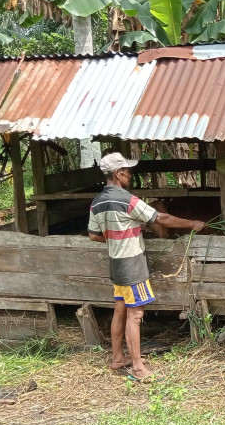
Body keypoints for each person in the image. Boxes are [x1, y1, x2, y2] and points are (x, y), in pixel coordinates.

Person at [87, 152, 205, 381]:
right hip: (132, 264)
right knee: (136, 314)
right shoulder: (126, 199)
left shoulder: (97, 202)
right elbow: (160, 219)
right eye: (128, 172)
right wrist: (192, 224)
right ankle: (138, 367)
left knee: (120, 308)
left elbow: (93, 235)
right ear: (118, 174)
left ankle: (118, 358)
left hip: (116, 264)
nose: (130, 175)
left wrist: (116, 238)